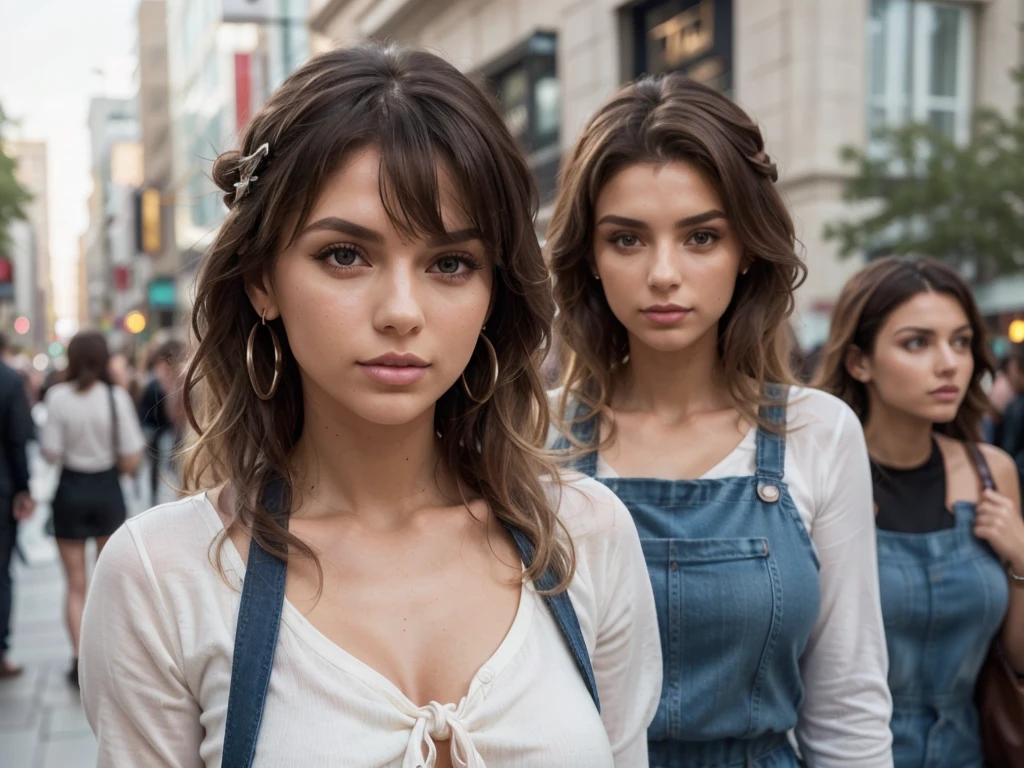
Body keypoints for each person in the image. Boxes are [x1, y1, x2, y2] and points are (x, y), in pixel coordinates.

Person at [78, 42, 661, 767]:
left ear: (492, 295)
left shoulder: (585, 535)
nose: (400, 311)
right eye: (345, 255)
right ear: (262, 279)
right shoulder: (162, 576)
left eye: (450, 263)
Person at [548, 73, 893, 767]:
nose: (664, 273)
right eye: (627, 239)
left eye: (701, 237)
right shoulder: (531, 439)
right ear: (589, 256)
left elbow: (848, 703)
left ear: (745, 252)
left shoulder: (818, 433)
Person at [814, 257, 1024, 767]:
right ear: (859, 361)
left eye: (960, 341)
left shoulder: (992, 473)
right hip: (847, 752)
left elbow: (1018, 658)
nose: (949, 363)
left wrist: (1021, 561)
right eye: (917, 343)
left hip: (969, 750)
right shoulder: (818, 477)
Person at [39, 331, 145, 686]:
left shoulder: (57, 397)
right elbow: (131, 456)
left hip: (69, 490)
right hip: (106, 492)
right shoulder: (115, 397)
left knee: (75, 585)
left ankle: (78, 659)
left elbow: (49, 452)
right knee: (108, 581)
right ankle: (108, 656)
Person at [0, 333, 35, 679]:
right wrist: (24, 488)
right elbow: (17, 440)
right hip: (2, 491)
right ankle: (0, 652)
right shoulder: (9, 380)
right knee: (1, 574)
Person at [137, 339, 186, 504]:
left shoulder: (179, 381)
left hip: (173, 440)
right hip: (164, 439)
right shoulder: (155, 384)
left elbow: (175, 414)